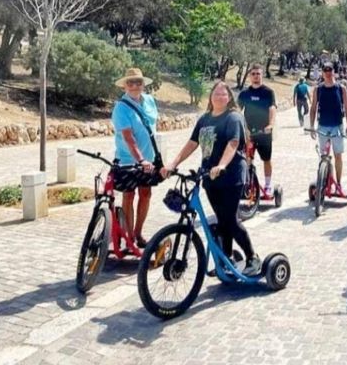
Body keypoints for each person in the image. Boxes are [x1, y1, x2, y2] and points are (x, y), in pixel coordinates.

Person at [161, 81, 261, 275]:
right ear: (210, 97)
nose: (219, 97)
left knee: (230, 219)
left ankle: (251, 256)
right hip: (209, 177)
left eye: (224, 94)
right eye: (216, 93)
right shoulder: (205, 119)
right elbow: (192, 143)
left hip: (231, 176)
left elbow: (233, 143)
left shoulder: (233, 118)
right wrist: (173, 164)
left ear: (229, 98)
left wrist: (222, 165)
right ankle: (227, 258)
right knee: (221, 220)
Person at [110, 68, 161, 248]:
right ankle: (129, 236)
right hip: (128, 161)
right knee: (129, 196)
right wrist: (140, 160)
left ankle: (138, 233)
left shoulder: (150, 101)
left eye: (138, 82)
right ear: (124, 86)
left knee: (146, 194)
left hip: (149, 159)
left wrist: (153, 158)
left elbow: (153, 129)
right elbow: (128, 138)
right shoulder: (121, 108)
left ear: (143, 84)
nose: (134, 86)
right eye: (130, 83)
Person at [309, 62, 347, 189]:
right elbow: (313, 108)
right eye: (325, 70)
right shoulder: (318, 89)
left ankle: (338, 183)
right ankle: (325, 179)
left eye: (330, 70)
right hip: (322, 126)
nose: (328, 72)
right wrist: (312, 126)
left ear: (334, 71)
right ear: (322, 72)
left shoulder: (341, 88)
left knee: (338, 155)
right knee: (323, 156)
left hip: (337, 126)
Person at [238, 65, 277, 193]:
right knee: (247, 159)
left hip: (264, 132)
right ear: (250, 76)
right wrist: (243, 128)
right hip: (249, 133)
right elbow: (238, 111)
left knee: (266, 159)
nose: (256, 76)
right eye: (253, 74)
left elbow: (272, 109)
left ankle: (268, 185)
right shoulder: (244, 94)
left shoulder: (268, 92)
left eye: (258, 74)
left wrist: (270, 125)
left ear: (262, 75)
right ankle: (248, 184)